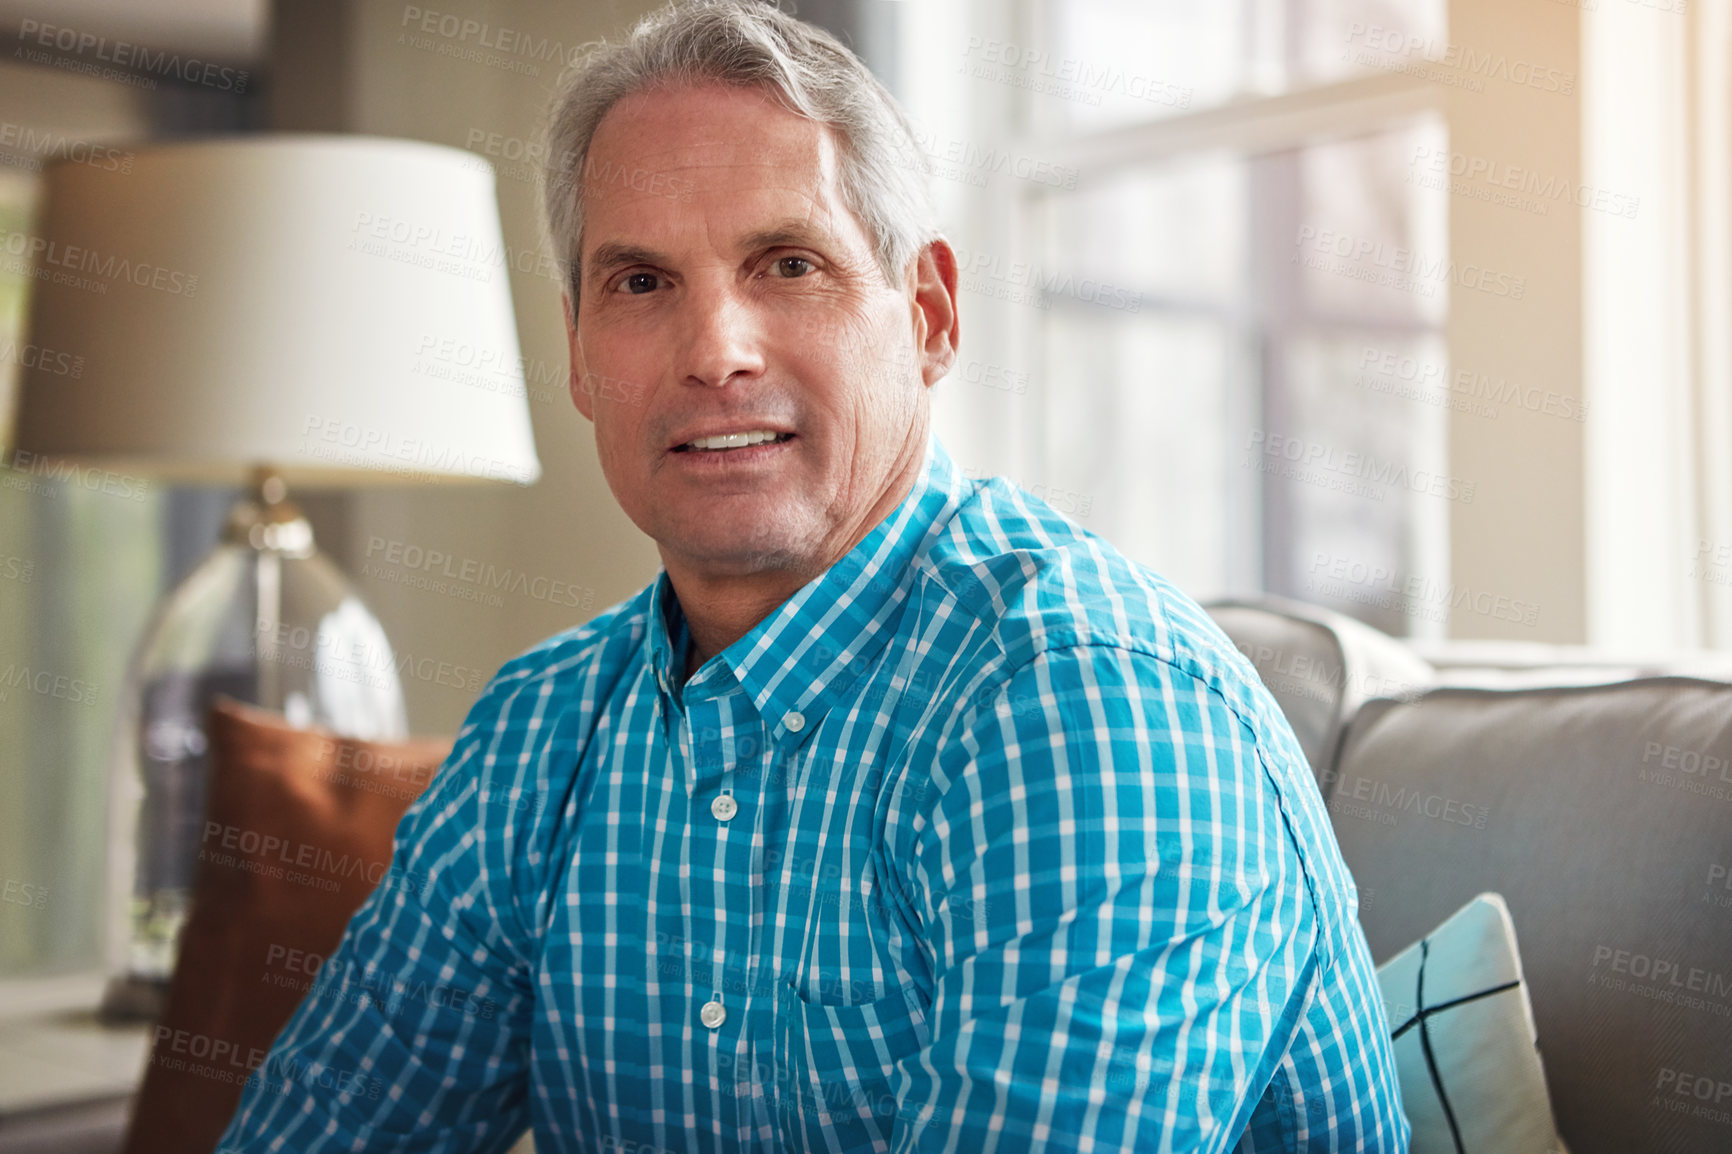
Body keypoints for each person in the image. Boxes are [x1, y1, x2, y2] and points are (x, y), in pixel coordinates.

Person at [219, 1, 1407, 1150]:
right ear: (578, 351)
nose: (715, 351)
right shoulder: (538, 734)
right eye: (642, 283)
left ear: (929, 313)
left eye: (787, 264)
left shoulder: (1087, 709)